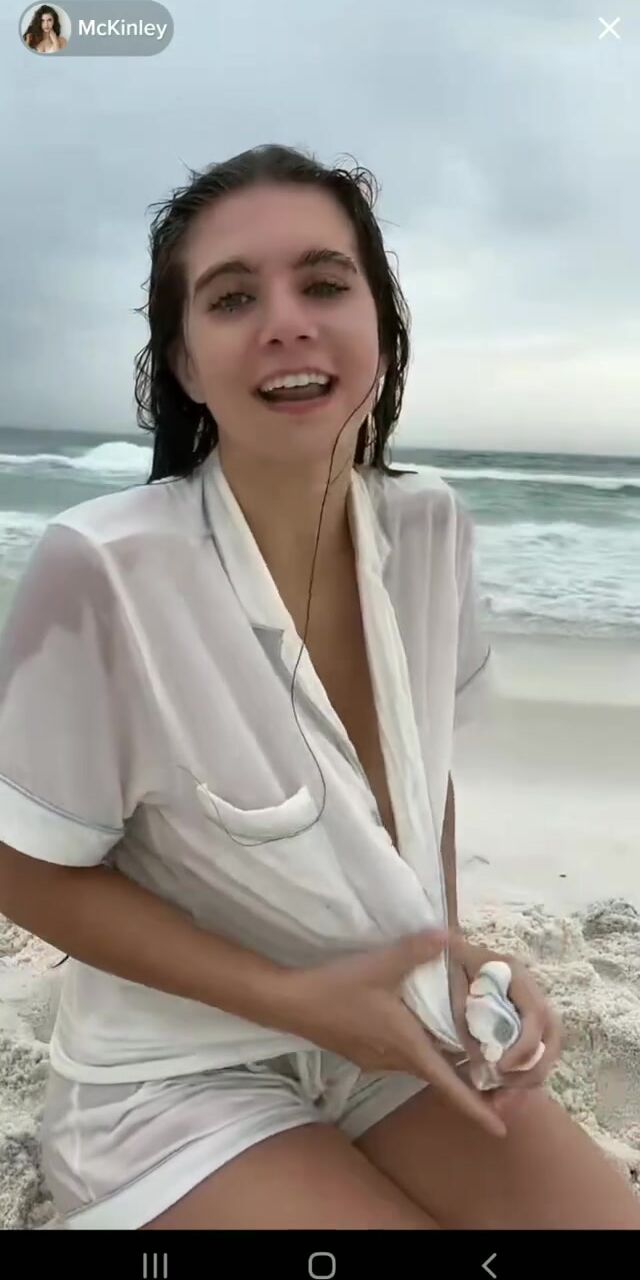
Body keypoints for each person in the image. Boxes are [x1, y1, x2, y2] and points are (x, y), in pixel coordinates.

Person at [0, 144, 638, 1232]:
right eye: (232, 297)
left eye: (325, 283)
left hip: (389, 1030)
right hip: (176, 1072)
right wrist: (299, 1003)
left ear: (381, 324)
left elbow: (419, 777)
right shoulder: (105, 568)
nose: (285, 321)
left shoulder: (429, 526)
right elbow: (22, 867)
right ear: (186, 363)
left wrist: (452, 951)